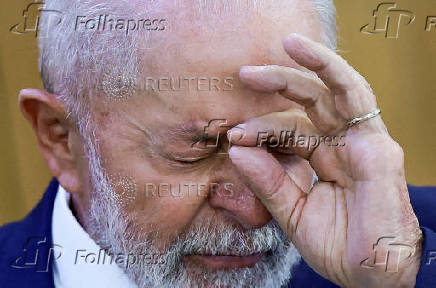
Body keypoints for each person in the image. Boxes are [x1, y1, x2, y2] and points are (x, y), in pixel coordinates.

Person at [1, 0, 435, 287]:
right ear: (61, 139)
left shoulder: (409, 250)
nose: (254, 209)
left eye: (284, 147)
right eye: (196, 152)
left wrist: (399, 275)